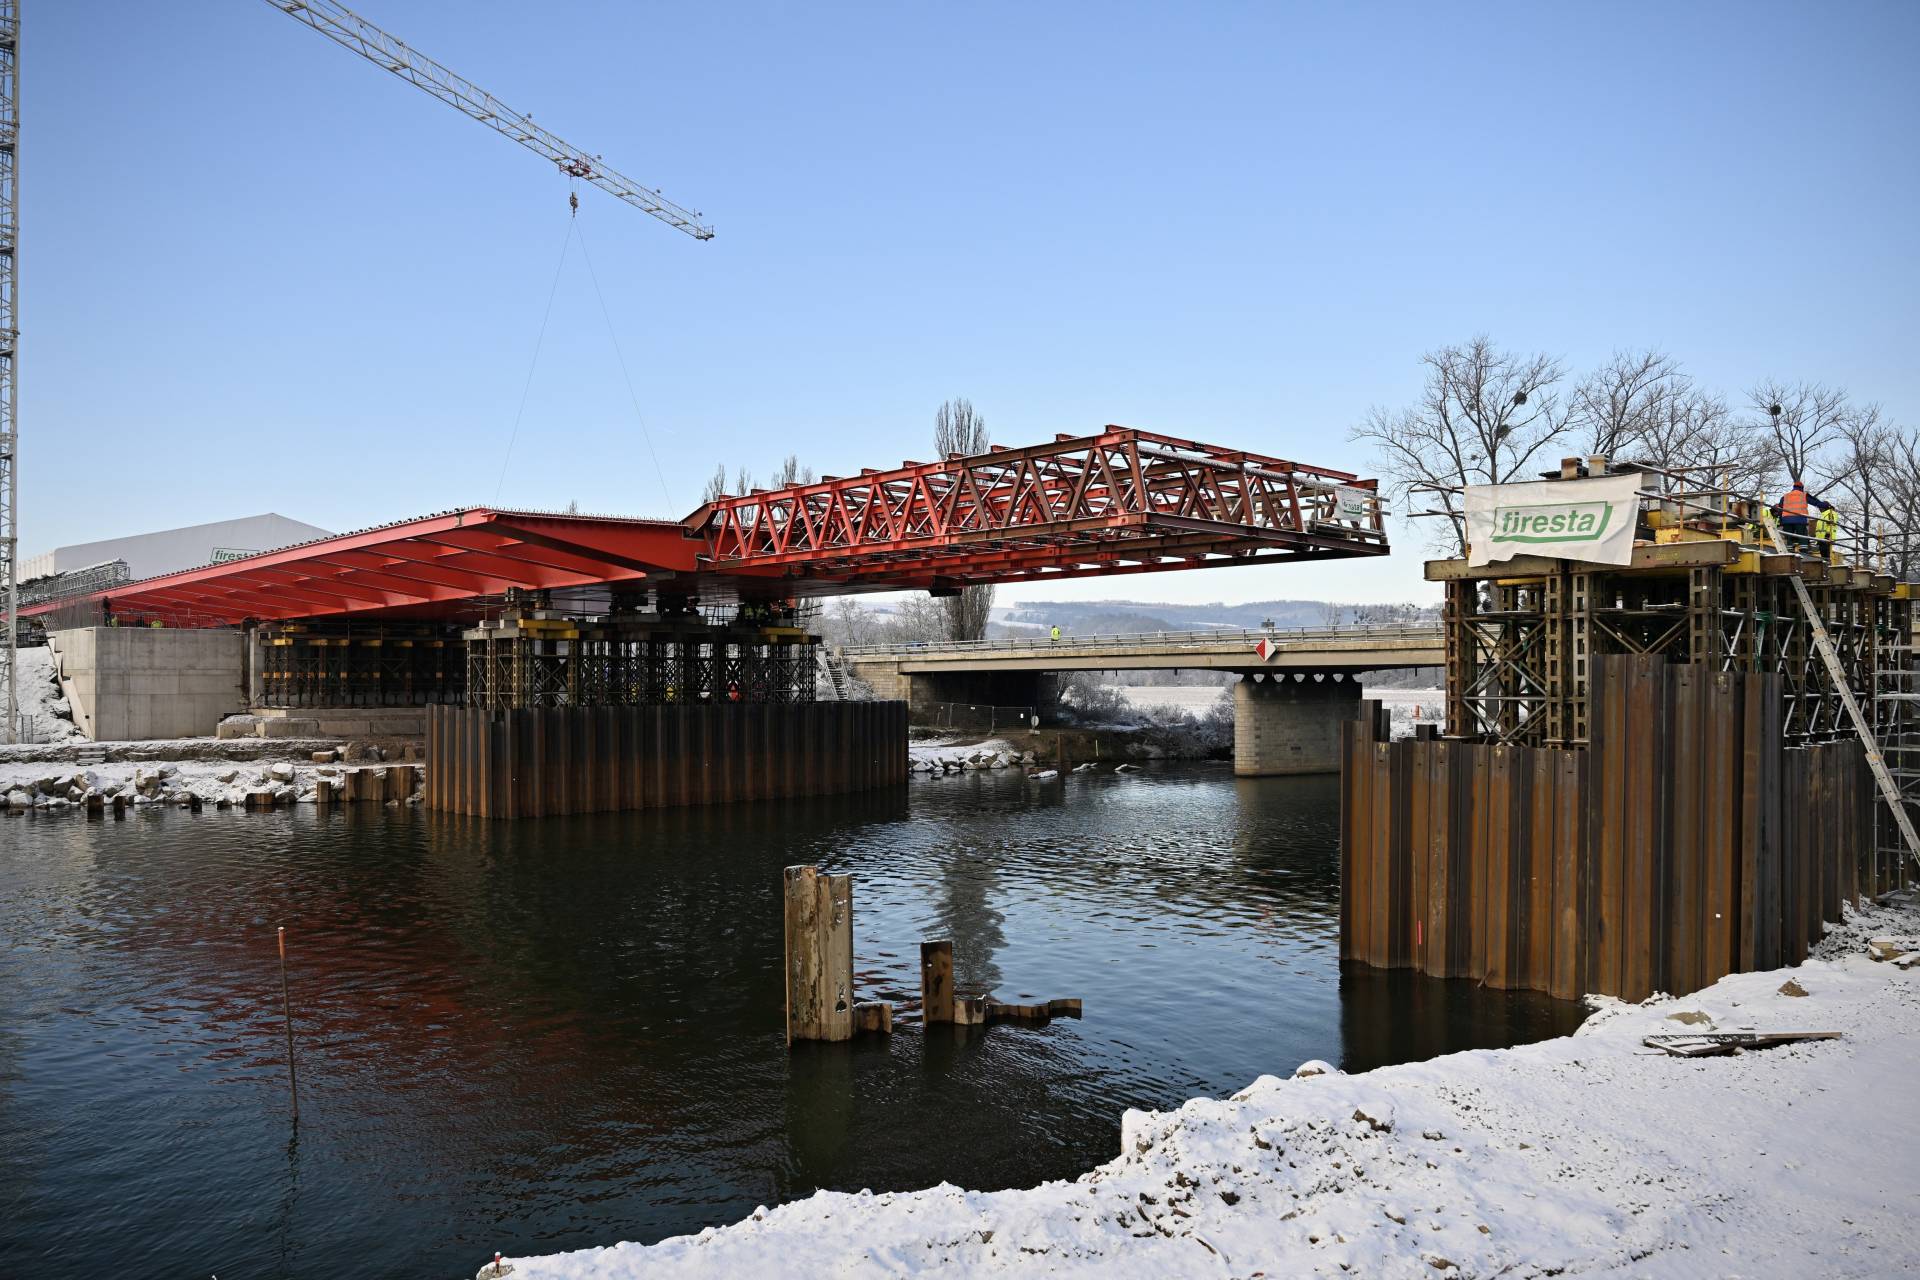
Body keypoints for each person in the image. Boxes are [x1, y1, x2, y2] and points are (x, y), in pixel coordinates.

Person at [1771, 480, 1830, 550]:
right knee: (1802, 536)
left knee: (1789, 537)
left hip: (1786, 520)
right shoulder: (1803, 494)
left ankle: (1790, 551)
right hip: (1799, 519)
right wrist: (1826, 504)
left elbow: (1780, 508)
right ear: (1802, 488)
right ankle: (1804, 552)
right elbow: (1816, 503)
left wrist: (1782, 521)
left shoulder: (1785, 496)